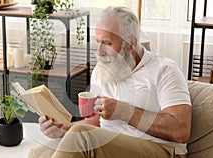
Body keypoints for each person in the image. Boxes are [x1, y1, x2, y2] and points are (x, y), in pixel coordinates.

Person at [37, 6, 192, 158]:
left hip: (159, 150)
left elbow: (180, 131)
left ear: (131, 43)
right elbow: (98, 120)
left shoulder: (165, 70)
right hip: (110, 146)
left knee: (81, 136)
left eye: (107, 43)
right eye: (98, 42)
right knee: (76, 134)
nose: (99, 52)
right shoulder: (103, 69)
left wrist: (124, 111)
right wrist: (64, 129)